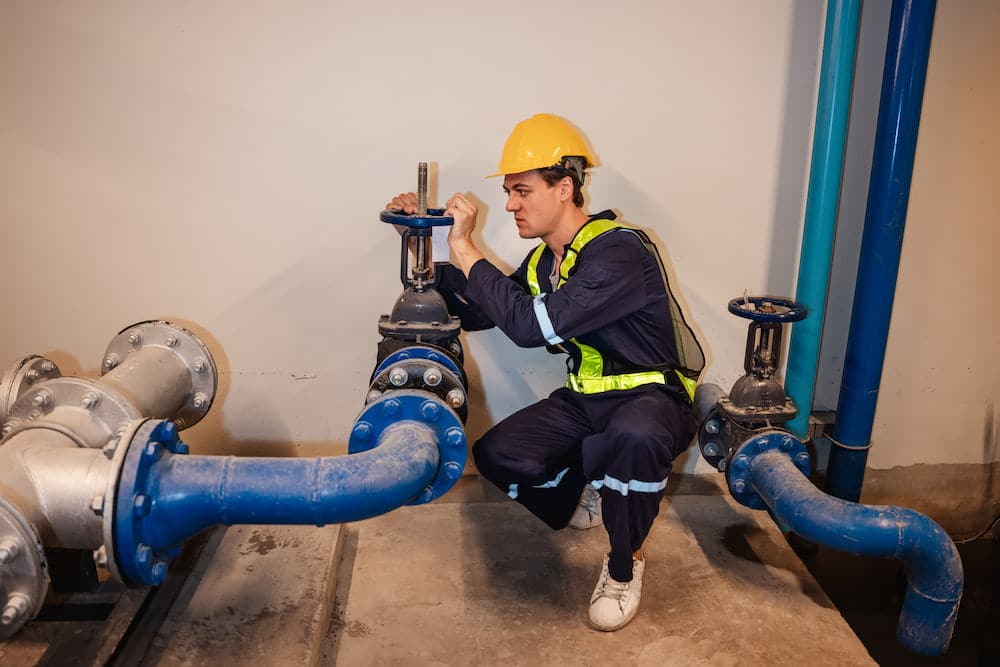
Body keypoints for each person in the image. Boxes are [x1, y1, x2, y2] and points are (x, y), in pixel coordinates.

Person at [387, 113, 703, 631]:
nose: (510, 204)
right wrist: (417, 237)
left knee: (632, 435)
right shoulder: (545, 262)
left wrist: (465, 248)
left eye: (522, 191)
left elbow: (533, 327)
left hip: (653, 401)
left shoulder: (619, 251)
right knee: (497, 454)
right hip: (586, 401)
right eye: (509, 191)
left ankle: (625, 565)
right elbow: (483, 308)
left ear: (565, 188)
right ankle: (599, 492)